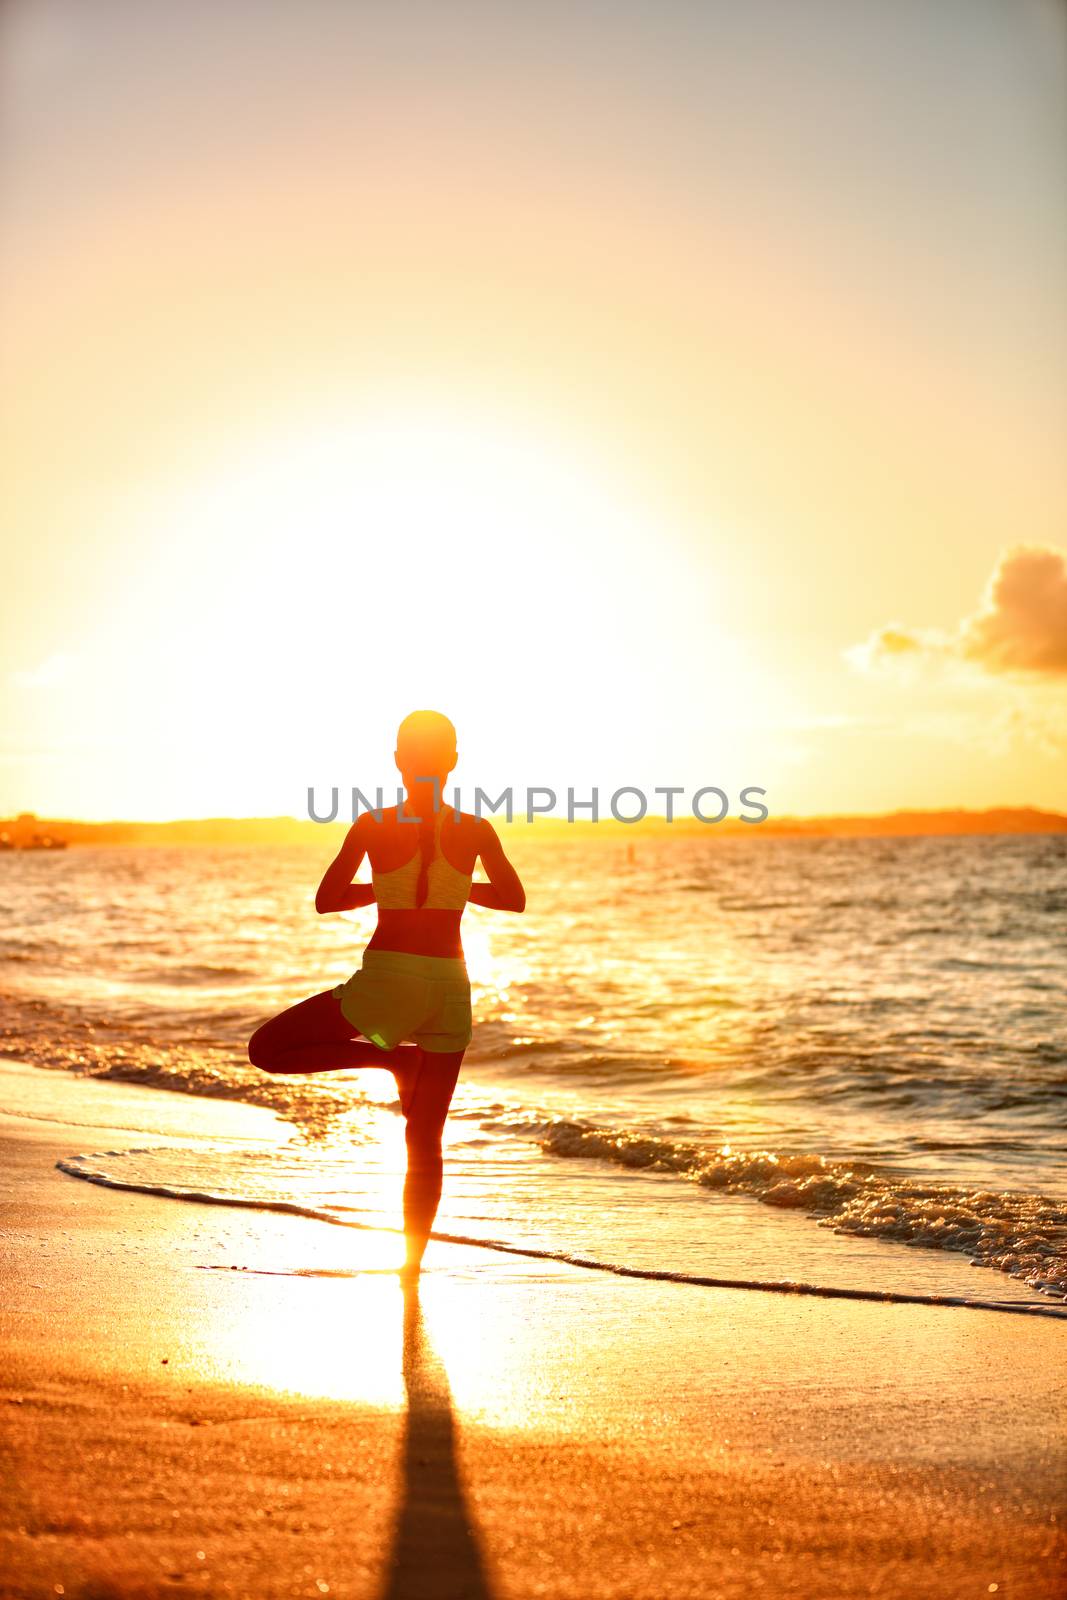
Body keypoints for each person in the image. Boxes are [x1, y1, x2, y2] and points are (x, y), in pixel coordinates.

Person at [248, 710, 526, 1279]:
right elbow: (513, 898)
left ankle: (383, 1055)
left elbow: (327, 899)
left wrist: (388, 887)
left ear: (398, 760)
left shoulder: (373, 824)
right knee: (425, 1138)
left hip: (387, 982)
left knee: (268, 1050)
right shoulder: (476, 829)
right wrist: (452, 887)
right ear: (453, 760)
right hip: (451, 987)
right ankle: (411, 1268)